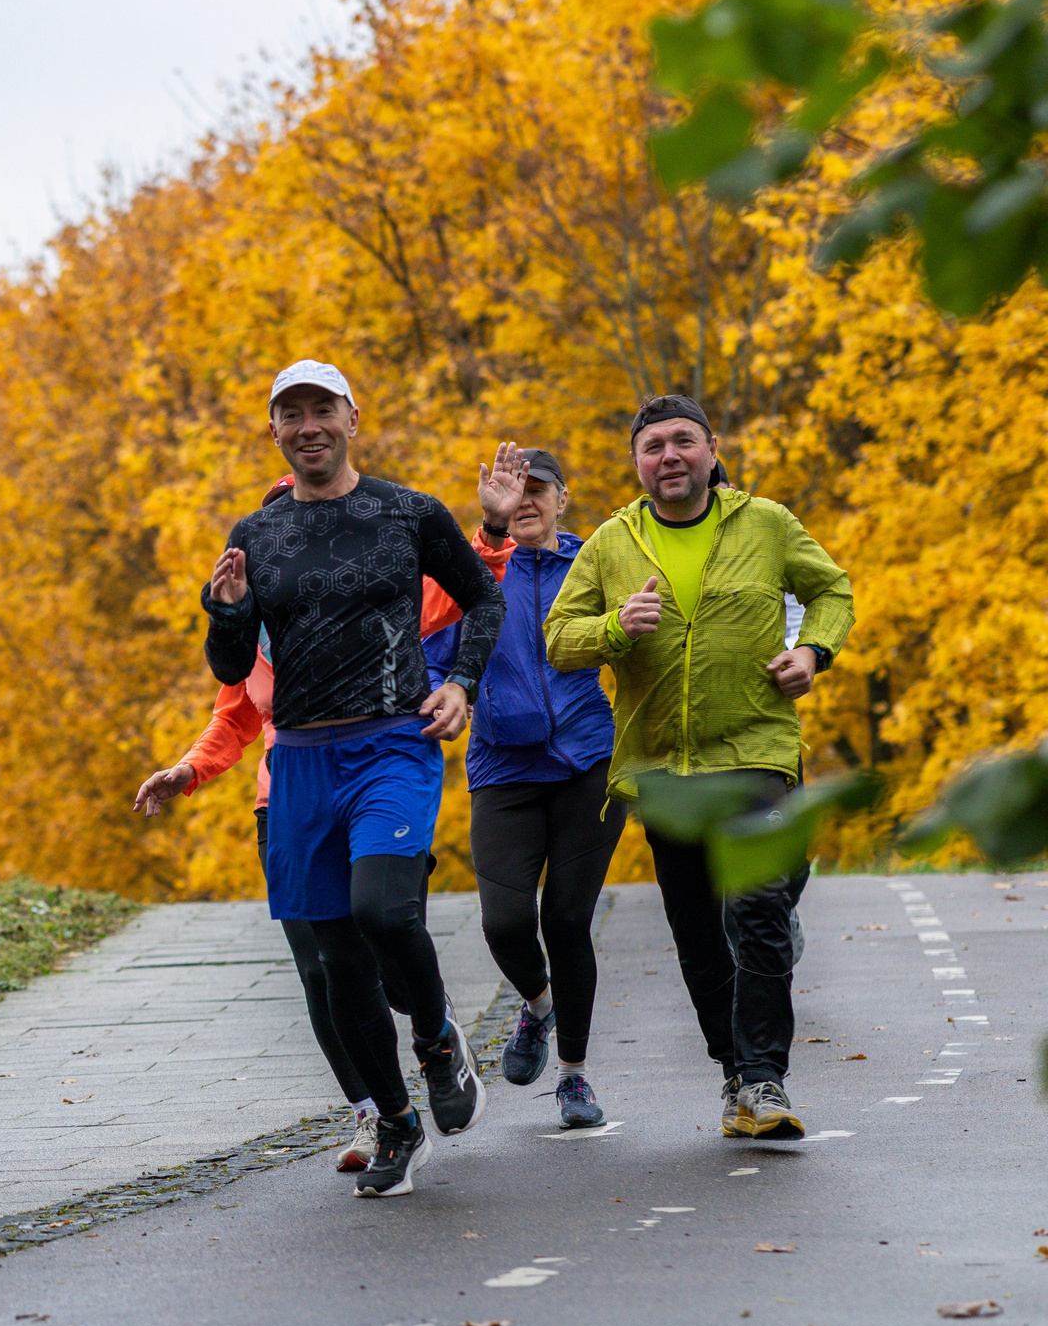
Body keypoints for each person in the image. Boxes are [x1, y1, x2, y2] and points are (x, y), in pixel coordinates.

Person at [138, 473, 508, 1174]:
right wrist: (191, 769)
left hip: (376, 770)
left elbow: (451, 594)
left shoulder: (369, 577)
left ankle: (436, 1039)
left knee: (387, 940)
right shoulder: (256, 623)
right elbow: (235, 712)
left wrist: (489, 537)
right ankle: (378, 1115)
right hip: (286, 794)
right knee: (324, 969)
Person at [545, 395, 853, 1140]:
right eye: (653, 446)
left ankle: (767, 1078)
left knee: (756, 909)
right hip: (661, 769)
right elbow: (560, 638)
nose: (670, 456)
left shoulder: (765, 523)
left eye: (684, 441)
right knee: (698, 933)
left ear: (712, 452)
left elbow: (832, 590)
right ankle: (735, 1076)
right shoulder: (613, 544)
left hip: (754, 748)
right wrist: (618, 627)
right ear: (637, 463)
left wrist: (812, 652)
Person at [424, 443, 626, 1128]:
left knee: (567, 919)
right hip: (503, 767)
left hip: (588, 764)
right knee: (505, 922)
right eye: (518, 489)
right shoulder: (476, 568)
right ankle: (539, 1007)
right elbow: (434, 652)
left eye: (542, 489)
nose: (529, 500)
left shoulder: (593, 564)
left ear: (564, 499)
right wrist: (439, 696)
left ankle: (573, 1077)